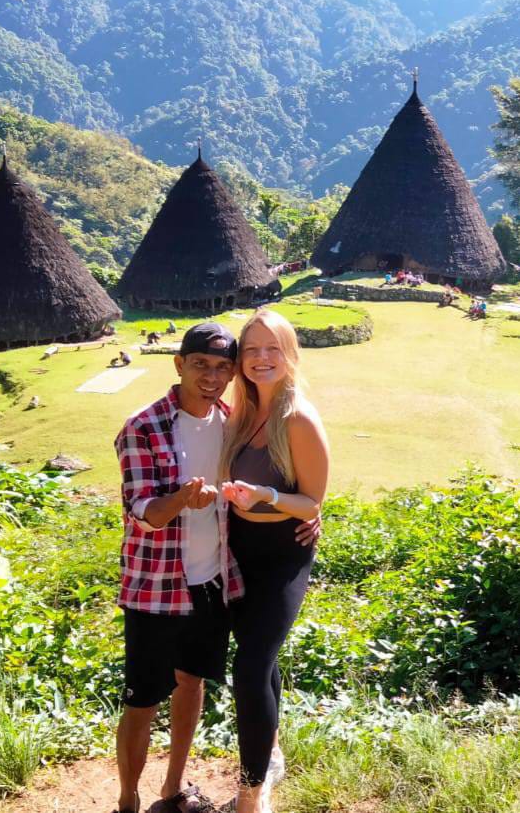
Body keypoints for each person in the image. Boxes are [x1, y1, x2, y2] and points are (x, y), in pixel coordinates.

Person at [112, 322, 320, 813]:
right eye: (200, 364)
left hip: (213, 583)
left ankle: (173, 789)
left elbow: (289, 481)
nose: (211, 376)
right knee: (142, 700)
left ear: (232, 375)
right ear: (179, 364)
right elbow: (141, 512)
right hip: (156, 586)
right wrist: (181, 498)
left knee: (192, 684)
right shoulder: (143, 427)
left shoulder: (232, 420)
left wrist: (313, 510)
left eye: (222, 368)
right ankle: (127, 801)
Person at [219, 309, 329, 813]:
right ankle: (272, 749)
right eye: (251, 350)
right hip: (239, 552)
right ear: (241, 359)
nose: (261, 359)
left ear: (289, 354)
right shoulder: (240, 414)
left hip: (283, 558)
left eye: (272, 348)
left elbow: (311, 503)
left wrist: (267, 494)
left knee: (249, 665)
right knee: (259, 661)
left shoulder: (298, 419)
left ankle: (251, 789)